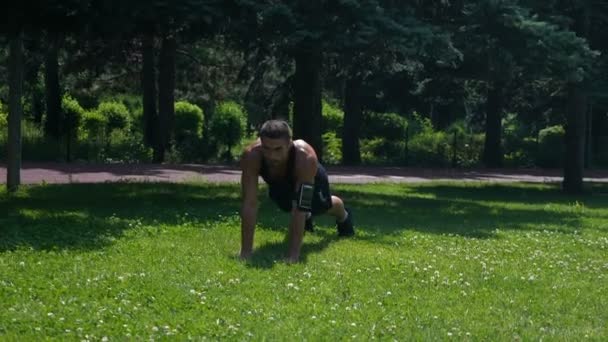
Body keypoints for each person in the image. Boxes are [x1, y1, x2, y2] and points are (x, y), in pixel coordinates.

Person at [239, 119, 354, 263]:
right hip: (281, 182)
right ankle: (306, 218)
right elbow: (249, 203)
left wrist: (293, 256)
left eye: (278, 149)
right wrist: (245, 253)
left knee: (317, 206)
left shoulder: (305, 158)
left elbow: (300, 206)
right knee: (285, 204)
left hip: (312, 176)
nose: (272, 156)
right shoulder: (251, 156)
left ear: (289, 143)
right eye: (266, 149)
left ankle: (343, 214)